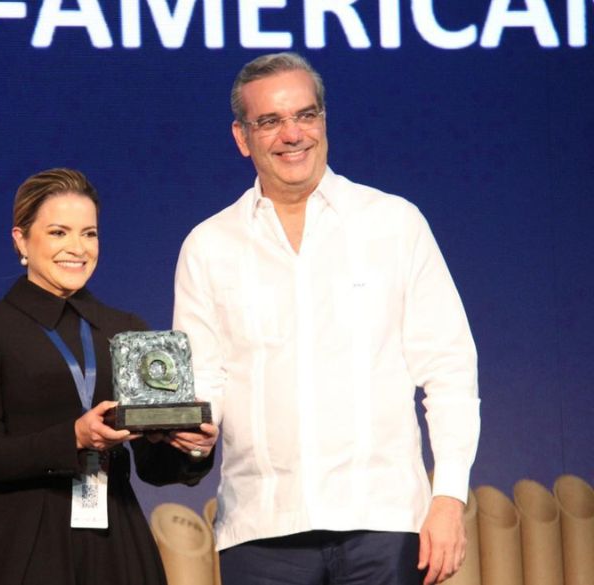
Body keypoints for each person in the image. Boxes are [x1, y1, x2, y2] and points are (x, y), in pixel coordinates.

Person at [173, 53, 480, 585]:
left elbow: (449, 369)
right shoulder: (209, 246)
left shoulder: (394, 224)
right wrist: (192, 432)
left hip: (382, 522)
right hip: (261, 529)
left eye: (306, 115)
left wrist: (448, 496)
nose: (292, 134)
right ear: (242, 137)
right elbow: (205, 379)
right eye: (270, 121)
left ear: (323, 121)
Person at [0, 168, 218, 585]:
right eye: (58, 232)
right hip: (21, 543)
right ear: (21, 239)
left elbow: (152, 465)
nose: (77, 248)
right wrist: (73, 437)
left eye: (89, 234)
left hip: (116, 540)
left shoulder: (128, 331)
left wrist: (192, 448)